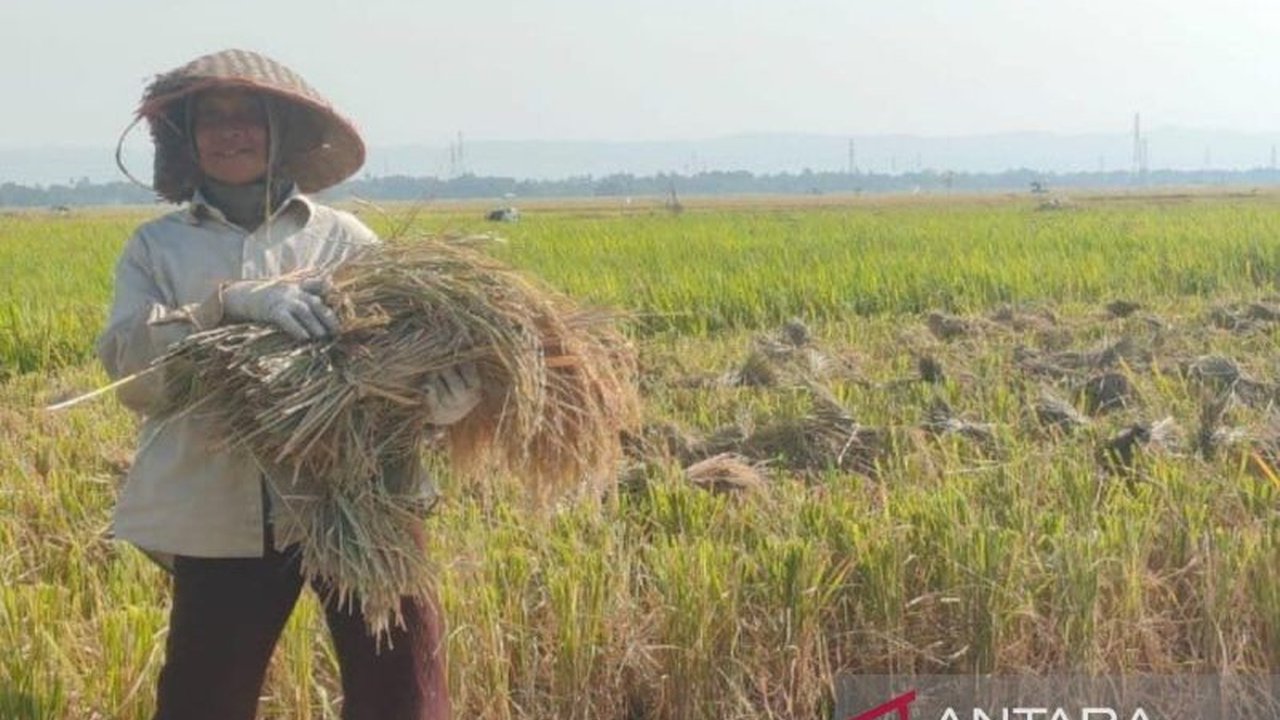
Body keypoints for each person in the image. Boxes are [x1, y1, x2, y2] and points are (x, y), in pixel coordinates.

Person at [97, 49, 472, 720]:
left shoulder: (345, 242)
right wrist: (225, 306)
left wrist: (439, 409)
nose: (230, 132)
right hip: (225, 509)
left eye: (249, 116)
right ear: (187, 136)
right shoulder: (157, 250)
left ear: (281, 133)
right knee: (201, 701)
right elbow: (132, 376)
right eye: (211, 118)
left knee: (405, 699)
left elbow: (399, 360)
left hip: (361, 498)